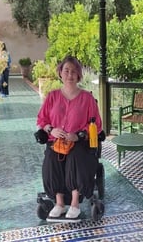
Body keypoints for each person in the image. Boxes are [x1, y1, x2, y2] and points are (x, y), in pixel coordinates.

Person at [36, 56, 103, 221]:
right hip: (57, 141)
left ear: (79, 75)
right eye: (66, 70)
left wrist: (79, 135)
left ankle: (74, 204)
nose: (70, 74)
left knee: (74, 156)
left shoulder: (87, 98)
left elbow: (97, 125)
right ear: (60, 73)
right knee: (51, 158)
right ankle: (59, 203)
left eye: (74, 71)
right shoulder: (52, 97)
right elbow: (42, 120)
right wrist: (51, 129)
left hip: (80, 143)